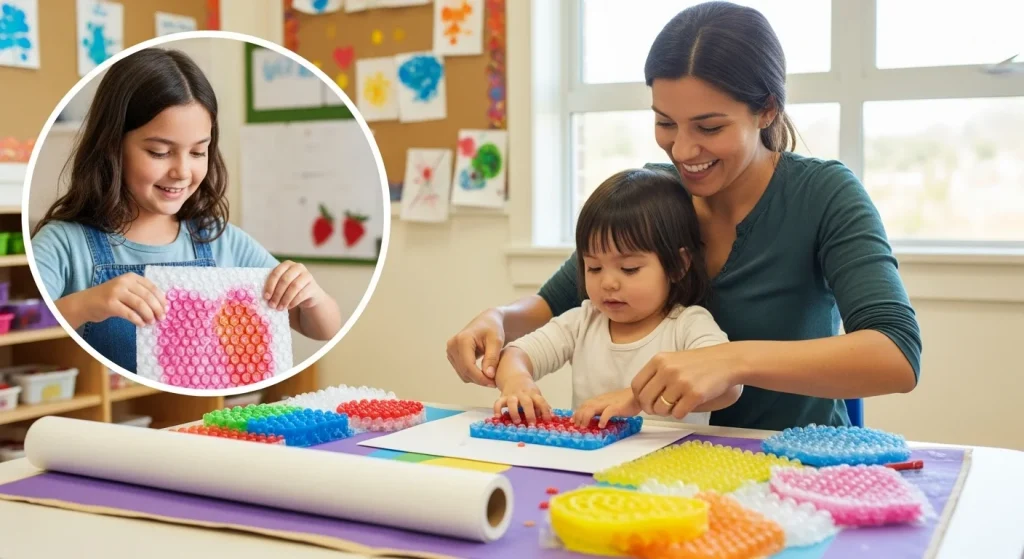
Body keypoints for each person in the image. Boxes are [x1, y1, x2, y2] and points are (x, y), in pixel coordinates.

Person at [447, 1, 922, 431]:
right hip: (661, 464)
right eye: (665, 123)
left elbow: (896, 354)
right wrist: (495, 320)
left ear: (767, 110)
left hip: (793, 464)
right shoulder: (655, 194)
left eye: (710, 127)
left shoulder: (824, 195)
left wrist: (731, 361)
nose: (683, 149)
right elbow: (555, 305)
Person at [30, 48, 342, 374]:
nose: (181, 171)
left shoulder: (222, 242)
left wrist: (310, 295)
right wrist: (85, 305)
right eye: (160, 152)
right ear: (112, 146)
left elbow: (322, 328)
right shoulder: (63, 244)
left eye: (197, 152)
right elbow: (19, 337)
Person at [491, 168, 741, 429]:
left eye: (629, 269)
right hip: (593, 463)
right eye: (594, 268)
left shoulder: (688, 325)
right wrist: (517, 382)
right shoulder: (582, 322)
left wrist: (637, 399)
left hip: (674, 464)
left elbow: (729, 386)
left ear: (678, 265)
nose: (608, 283)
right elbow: (516, 354)